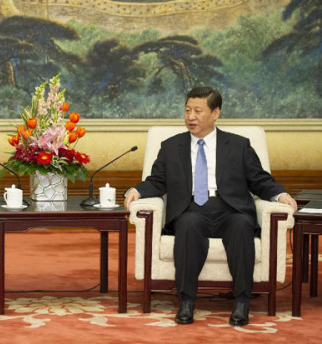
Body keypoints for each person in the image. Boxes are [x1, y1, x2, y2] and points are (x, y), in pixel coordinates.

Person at [124, 86, 297, 326]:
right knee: (186, 224)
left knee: (241, 226)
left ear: (215, 113)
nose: (190, 117)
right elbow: (158, 181)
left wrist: (280, 194)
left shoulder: (239, 145)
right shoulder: (171, 146)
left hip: (230, 209)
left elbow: (259, 179)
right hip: (192, 208)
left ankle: (242, 302)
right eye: (187, 110)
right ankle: (186, 301)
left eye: (197, 111)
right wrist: (137, 190)